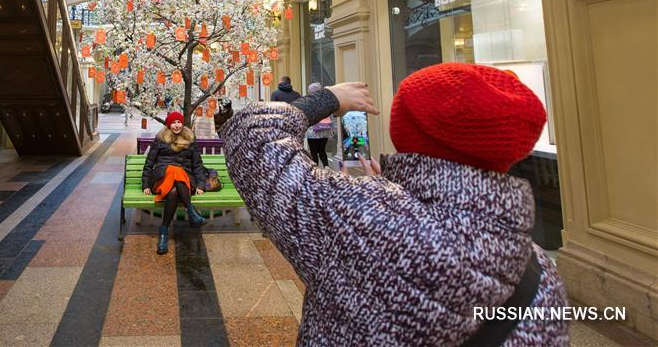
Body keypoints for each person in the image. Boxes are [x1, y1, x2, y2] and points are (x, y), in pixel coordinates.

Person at [222, 63, 568, 346]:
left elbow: (252, 139)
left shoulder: (359, 217)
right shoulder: (540, 271)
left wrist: (327, 99)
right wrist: (390, 194)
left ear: (407, 129)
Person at [142, 111, 208, 254]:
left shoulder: (190, 139)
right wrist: (146, 184)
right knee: (173, 169)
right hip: (162, 178)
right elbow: (149, 163)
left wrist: (201, 184)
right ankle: (191, 213)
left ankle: (163, 233)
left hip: (184, 182)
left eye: (179, 122)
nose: (177, 125)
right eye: (173, 122)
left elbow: (197, 164)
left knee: (173, 191)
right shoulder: (160, 138)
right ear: (169, 124)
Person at [305, 82, 332, 168]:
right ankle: (326, 166)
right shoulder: (326, 100)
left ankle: (315, 168)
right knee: (322, 150)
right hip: (325, 129)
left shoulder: (308, 101)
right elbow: (331, 114)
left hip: (313, 131)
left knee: (313, 151)